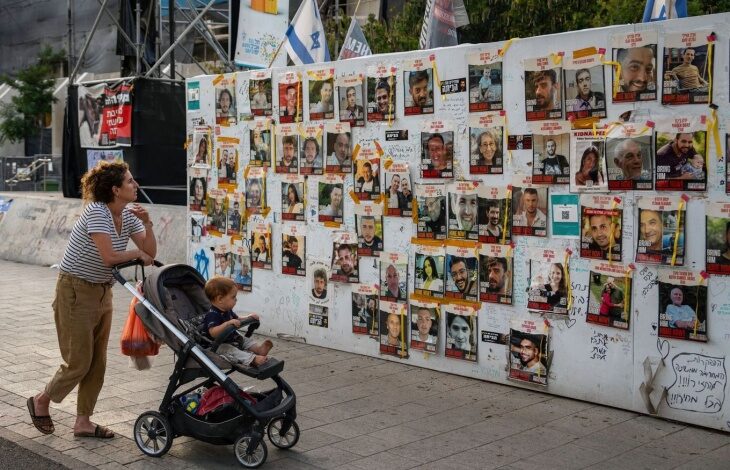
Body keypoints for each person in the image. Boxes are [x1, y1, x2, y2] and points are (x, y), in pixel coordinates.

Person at [28, 161, 156, 438]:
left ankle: (83, 422)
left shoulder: (128, 215)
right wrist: (136, 253)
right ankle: (41, 400)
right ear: (115, 189)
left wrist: (147, 224)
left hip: (102, 290)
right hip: (75, 290)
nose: (136, 185)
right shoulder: (97, 212)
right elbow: (109, 257)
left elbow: (150, 251)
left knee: (98, 362)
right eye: (130, 181)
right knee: (79, 361)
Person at [203, 277, 271, 367]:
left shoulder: (227, 310)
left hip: (232, 339)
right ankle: (253, 359)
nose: (236, 299)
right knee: (230, 349)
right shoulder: (212, 314)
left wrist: (249, 317)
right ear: (220, 299)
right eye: (233, 297)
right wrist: (227, 324)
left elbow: (237, 319)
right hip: (216, 346)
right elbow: (213, 333)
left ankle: (259, 350)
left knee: (245, 340)